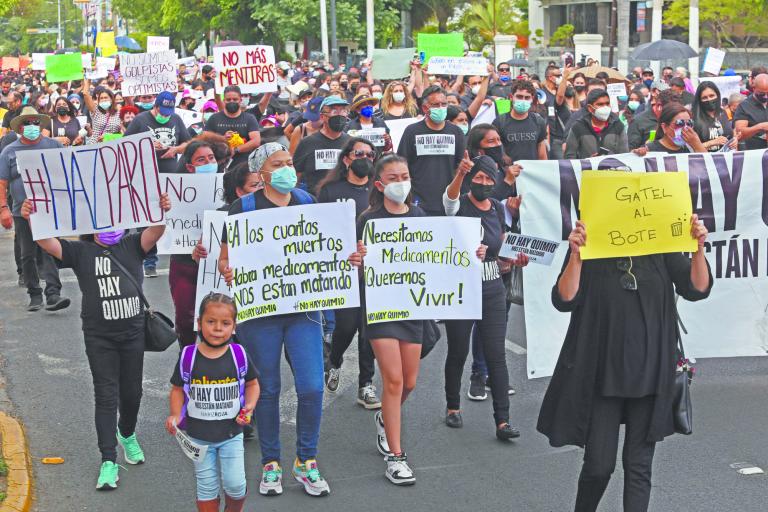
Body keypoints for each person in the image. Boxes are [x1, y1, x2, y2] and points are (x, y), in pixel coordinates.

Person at [538, 211, 712, 512]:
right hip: (602, 374)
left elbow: (697, 288)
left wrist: (698, 247)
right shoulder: (590, 241)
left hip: (650, 373)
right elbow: (564, 298)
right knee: (598, 466)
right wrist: (577, 256)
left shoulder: (661, 244)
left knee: (639, 467)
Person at [22, 192, 171, 490]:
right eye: (102, 222)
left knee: (132, 393)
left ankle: (126, 434)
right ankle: (108, 461)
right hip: (99, 336)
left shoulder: (132, 245)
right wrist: (32, 216)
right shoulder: (79, 251)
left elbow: (156, 231)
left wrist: (161, 209)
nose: (109, 226)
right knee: (105, 395)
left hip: (132, 334)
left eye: (114, 220)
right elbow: (46, 242)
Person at [218, 143, 331, 498]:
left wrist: (348, 258)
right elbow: (225, 258)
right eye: (278, 164)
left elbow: (325, 247)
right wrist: (228, 269)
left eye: (289, 163)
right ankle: (271, 463)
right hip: (260, 315)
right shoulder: (244, 207)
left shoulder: (307, 202)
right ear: (261, 173)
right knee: (266, 389)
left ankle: (306, 460)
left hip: (303, 312)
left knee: (312, 386)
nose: (287, 169)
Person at [441, 155, 525, 440]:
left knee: (496, 356)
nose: (485, 183)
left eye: (490, 179)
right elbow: (450, 197)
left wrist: (513, 259)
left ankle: (503, 421)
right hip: (461, 287)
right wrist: (460, 176)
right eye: (479, 178)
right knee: (458, 351)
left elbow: (501, 247)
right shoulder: (458, 205)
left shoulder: (498, 210)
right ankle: (453, 406)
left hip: (492, 288)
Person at [355, 154, 425, 485]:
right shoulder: (367, 220)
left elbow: (438, 257)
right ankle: (396, 457)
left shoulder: (421, 216)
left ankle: (386, 415)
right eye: (393, 178)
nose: (401, 182)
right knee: (393, 380)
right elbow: (350, 263)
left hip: (412, 306)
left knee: (409, 382)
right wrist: (356, 260)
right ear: (380, 185)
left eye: (405, 176)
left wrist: (473, 252)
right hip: (381, 308)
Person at [165, 293, 259, 512]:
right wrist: (176, 415)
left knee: (236, 485)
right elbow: (177, 390)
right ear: (199, 323)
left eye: (225, 323)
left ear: (234, 327)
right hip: (199, 438)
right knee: (206, 486)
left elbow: (253, 384)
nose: (218, 328)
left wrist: (250, 406)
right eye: (211, 321)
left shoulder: (239, 355)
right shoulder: (189, 356)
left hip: (232, 435)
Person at [316, 138, 379, 408]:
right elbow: (321, 230)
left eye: (369, 153)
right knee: (346, 326)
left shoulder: (379, 191)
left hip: (375, 271)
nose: (364, 157)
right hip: (343, 270)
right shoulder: (330, 190)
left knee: (370, 330)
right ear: (346, 159)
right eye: (358, 153)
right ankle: (335, 360)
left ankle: (366, 384)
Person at [0, 106, 70, 312]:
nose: (32, 126)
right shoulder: (9, 152)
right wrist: (3, 209)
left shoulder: (53, 146)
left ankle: (53, 294)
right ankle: (34, 293)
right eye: (27, 123)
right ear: (19, 128)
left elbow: (68, 174)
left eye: (35, 122)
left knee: (49, 250)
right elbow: (2, 183)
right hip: (21, 212)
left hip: (49, 209)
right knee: (27, 254)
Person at [167, 141, 223, 350]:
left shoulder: (227, 186)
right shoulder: (174, 192)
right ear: (190, 167)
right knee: (185, 318)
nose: (208, 163)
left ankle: (218, 362)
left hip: (216, 264)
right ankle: (187, 358)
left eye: (211, 158)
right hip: (184, 265)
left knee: (220, 318)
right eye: (201, 160)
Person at [396, 85, 467, 215]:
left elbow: (459, 167)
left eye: (444, 104)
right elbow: (402, 165)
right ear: (425, 108)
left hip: (448, 203)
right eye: (435, 105)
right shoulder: (412, 131)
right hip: (418, 203)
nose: (440, 108)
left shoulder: (456, 132)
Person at [293, 96, 351, 194]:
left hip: (345, 201)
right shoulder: (307, 143)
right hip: (317, 202)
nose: (340, 115)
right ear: (322, 116)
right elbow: (296, 176)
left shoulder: (351, 142)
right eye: (334, 112)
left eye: (343, 111)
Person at [124, 91, 192, 173]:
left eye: (168, 114)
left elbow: (188, 144)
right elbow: (124, 145)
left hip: (170, 175)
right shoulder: (139, 119)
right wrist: (146, 145)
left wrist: (176, 149)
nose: (164, 116)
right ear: (155, 107)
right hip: (145, 174)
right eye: (162, 113)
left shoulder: (176, 118)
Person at [204, 85, 261, 167]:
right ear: (224, 100)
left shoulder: (249, 118)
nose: (231, 101)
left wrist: (235, 150)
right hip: (218, 165)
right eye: (228, 100)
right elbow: (204, 140)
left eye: (235, 99)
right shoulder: (214, 118)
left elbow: (256, 141)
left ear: (240, 100)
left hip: (243, 166)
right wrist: (222, 139)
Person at [492, 80, 548, 163]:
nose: (523, 100)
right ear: (511, 97)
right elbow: (495, 152)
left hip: (532, 172)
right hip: (509, 173)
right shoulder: (499, 122)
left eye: (527, 97)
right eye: (519, 96)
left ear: (532, 99)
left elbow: (542, 153)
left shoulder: (538, 121)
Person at [565, 89, 628, 159]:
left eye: (607, 103)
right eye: (600, 104)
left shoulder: (618, 126)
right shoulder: (578, 127)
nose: (605, 107)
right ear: (590, 108)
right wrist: (588, 162)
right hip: (586, 169)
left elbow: (624, 155)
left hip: (612, 169)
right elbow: (569, 157)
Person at [692, 81, 737, 153]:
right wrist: (712, 142)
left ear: (717, 95)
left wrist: (735, 140)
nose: (709, 99)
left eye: (712, 96)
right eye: (704, 98)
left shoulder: (724, 113)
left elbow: (731, 134)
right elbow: (691, 148)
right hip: (705, 161)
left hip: (727, 160)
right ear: (699, 100)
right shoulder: (694, 119)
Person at [541, 65, 572, 159]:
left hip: (562, 136)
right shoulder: (542, 93)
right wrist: (565, 78)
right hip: (549, 136)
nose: (560, 78)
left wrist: (564, 81)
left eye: (561, 75)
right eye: (558, 75)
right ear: (550, 77)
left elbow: (560, 97)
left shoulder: (563, 90)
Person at [733, 73, 768, 151]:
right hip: (755, 155)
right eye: (762, 94)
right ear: (753, 88)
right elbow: (739, 134)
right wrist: (759, 127)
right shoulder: (744, 106)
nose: (766, 96)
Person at [82, 79, 122, 144]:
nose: (103, 100)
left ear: (111, 99)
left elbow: (123, 135)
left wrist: (108, 137)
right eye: (101, 98)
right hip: (95, 146)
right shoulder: (95, 111)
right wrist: (88, 78)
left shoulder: (118, 113)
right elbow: (85, 94)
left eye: (106, 97)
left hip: (112, 147)